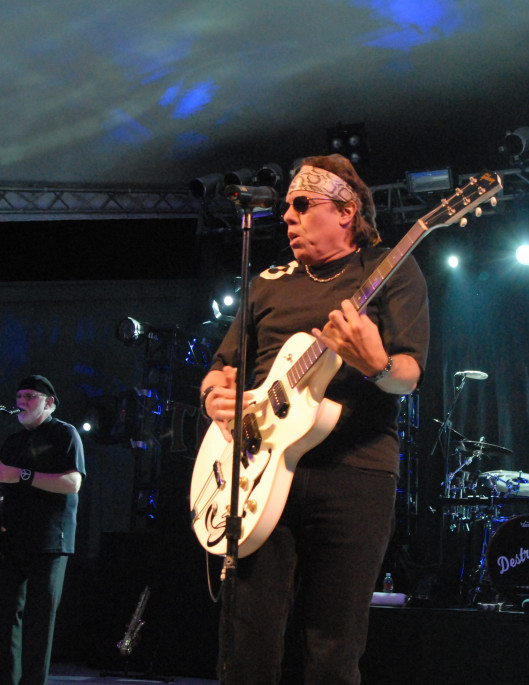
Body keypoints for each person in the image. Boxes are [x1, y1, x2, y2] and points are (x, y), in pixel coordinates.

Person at [199, 154, 430, 684]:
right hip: (257, 471)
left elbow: (408, 376)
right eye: (287, 206)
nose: (287, 216)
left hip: (355, 473)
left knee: (333, 646)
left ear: (346, 211)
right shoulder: (268, 281)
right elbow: (220, 367)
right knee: (247, 641)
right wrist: (215, 395)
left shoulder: (388, 269)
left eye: (302, 204)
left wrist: (376, 365)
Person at [0, 374, 86, 685]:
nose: (21, 402)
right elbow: (3, 485)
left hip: (49, 540)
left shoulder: (65, 433)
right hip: (11, 538)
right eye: (19, 396)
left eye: (30, 396)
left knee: (40, 622)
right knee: (4, 619)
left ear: (49, 403)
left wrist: (20, 475)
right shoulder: (13, 441)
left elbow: (73, 483)